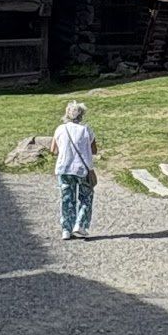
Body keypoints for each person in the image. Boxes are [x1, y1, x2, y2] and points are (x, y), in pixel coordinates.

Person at [53, 101, 99, 241]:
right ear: (82, 115)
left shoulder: (60, 129)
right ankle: (80, 224)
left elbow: (53, 149)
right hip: (82, 169)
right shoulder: (86, 130)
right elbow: (94, 150)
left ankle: (66, 229)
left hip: (64, 168)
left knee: (67, 198)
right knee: (86, 197)